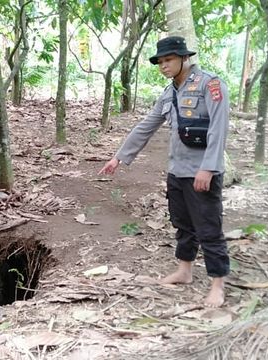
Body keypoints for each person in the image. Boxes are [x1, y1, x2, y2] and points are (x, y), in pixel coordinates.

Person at [98, 36, 230, 307]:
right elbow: (147, 125)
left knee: (208, 227)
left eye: (169, 59)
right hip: (177, 171)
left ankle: (218, 284)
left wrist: (208, 168)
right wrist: (120, 157)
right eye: (160, 61)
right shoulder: (169, 92)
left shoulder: (210, 84)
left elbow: (219, 127)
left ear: (184, 58)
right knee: (182, 225)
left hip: (202, 172)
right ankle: (185, 270)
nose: (163, 65)